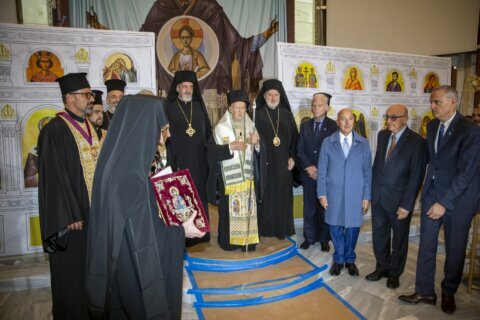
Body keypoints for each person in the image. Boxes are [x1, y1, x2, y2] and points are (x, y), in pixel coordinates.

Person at [85, 95, 205, 319]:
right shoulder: (130, 180)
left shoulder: (114, 167)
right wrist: (182, 231)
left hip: (117, 275)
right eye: (163, 130)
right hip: (132, 281)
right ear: (144, 128)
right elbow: (147, 244)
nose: (164, 138)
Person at [399, 86, 480, 314]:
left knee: (454, 249)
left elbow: (466, 172)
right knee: (426, 246)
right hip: (432, 195)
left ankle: (448, 292)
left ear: (452, 102)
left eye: (437, 102)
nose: (432, 107)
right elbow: (432, 161)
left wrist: (444, 203)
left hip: (458, 201)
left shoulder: (470, 130)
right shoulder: (432, 126)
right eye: (431, 102)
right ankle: (425, 292)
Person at [37, 72, 102, 319]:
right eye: (86, 95)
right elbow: (53, 178)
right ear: (70, 98)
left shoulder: (92, 128)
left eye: (90, 94)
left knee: (91, 273)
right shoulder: (54, 131)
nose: (90, 99)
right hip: (72, 220)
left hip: (94, 214)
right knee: (71, 275)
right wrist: (69, 215)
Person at [140, 0, 278, 93]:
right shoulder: (162, 6)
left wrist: (268, 33)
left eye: (188, 37)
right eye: (183, 38)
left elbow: (239, 47)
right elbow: (141, 42)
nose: (186, 41)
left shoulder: (209, 7)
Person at [366, 104, 427, 289]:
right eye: (387, 117)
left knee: (399, 239)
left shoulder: (417, 142)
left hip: (400, 202)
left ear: (405, 119)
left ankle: (395, 272)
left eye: (394, 117)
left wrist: (407, 204)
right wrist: (371, 193)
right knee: (379, 236)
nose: (389, 121)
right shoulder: (383, 135)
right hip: (379, 198)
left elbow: (416, 176)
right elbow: (378, 167)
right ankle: (381, 267)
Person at [206, 90, 265, 251]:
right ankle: (230, 243)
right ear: (230, 108)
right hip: (230, 182)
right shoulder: (220, 128)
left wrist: (257, 143)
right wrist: (229, 147)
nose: (239, 111)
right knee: (231, 212)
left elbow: (261, 152)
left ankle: (248, 241)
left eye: (242, 108)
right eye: (236, 108)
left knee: (249, 211)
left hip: (248, 178)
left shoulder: (251, 126)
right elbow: (210, 152)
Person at [317, 108, 372, 277]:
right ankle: (339, 260)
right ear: (337, 121)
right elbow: (322, 170)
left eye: (350, 119)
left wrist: (366, 196)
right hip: (334, 194)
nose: (347, 123)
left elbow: (367, 172)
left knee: (353, 229)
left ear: (354, 122)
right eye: (343, 119)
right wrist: (322, 193)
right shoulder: (328, 142)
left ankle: (350, 259)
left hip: (356, 195)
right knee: (335, 227)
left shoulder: (363, 143)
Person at [166, 70, 212, 245]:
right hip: (180, 161)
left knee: (199, 196)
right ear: (177, 88)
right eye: (184, 87)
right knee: (182, 199)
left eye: (190, 87)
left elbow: (207, 132)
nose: (187, 90)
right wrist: (171, 161)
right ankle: (184, 237)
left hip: (200, 161)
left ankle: (202, 232)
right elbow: (166, 137)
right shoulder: (169, 107)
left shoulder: (199, 106)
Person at [254, 79, 299, 239]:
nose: (273, 98)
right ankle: (265, 230)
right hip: (263, 164)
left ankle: (283, 229)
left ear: (280, 96)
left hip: (283, 164)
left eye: (276, 95)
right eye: (269, 95)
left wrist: (293, 157)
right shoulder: (256, 114)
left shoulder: (286, 114)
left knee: (282, 196)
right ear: (264, 96)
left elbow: (295, 139)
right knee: (266, 197)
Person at [297, 93, 337, 251]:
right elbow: (299, 150)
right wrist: (309, 168)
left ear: (327, 107)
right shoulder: (305, 125)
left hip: (325, 175)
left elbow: (334, 152)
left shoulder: (333, 126)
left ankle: (324, 239)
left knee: (323, 207)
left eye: (319, 105)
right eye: (313, 105)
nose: (315, 108)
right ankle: (309, 237)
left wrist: (320, 170)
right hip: (308, 174)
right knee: (309, 207)